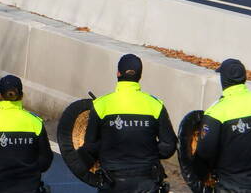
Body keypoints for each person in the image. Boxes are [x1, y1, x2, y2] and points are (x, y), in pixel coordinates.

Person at [76, 54, 177, 192]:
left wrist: (108, 147)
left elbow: (90, 147)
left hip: (112, 182)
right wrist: (148, 150)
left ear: (118, 73)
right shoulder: (155, 105)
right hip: (146, 181)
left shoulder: (101, 105)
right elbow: (169, 146)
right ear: (140, 76)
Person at [195, 58, 251, 192]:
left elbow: (204, 152)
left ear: (223, 80)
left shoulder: (216, 112)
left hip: (231, 186)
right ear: (244, 78)